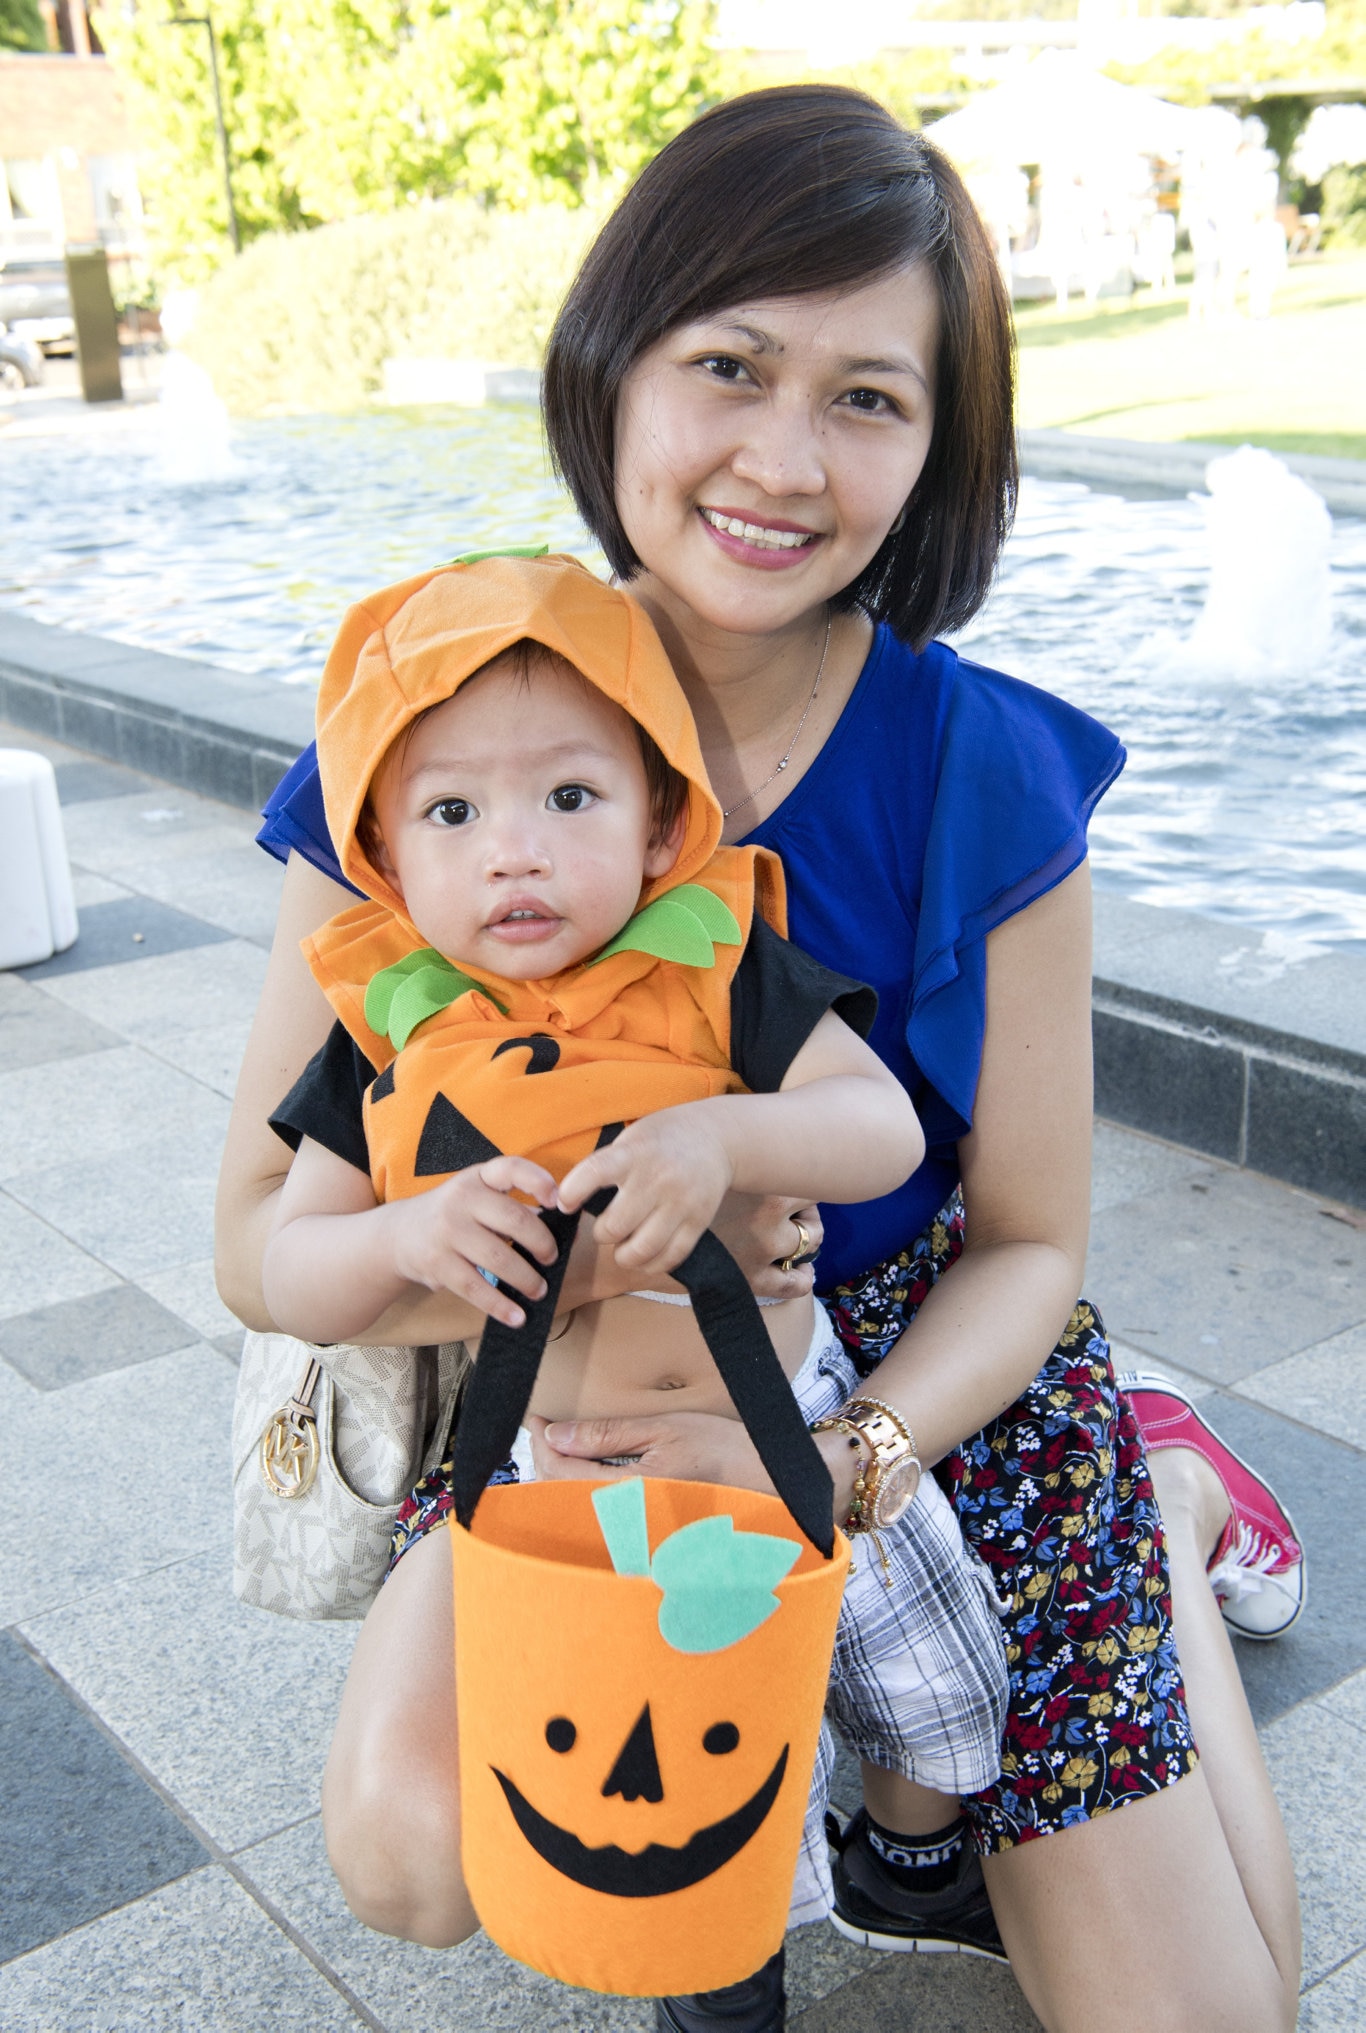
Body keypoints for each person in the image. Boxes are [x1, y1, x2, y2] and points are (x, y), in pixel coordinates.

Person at [216, 85, 1305, 2033]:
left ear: (936, 443)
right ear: (614, 370)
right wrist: (440, 1241)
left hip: (920, 1379)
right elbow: (254, 1233)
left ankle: (1153, 1510)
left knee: (1206, 2019)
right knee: (411, 1846)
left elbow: (1030, 1241)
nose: (780, 460)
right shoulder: (431, 753)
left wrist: (841, 1464)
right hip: (570, 1380)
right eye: (728, 364)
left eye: (867, 397)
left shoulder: (985, 780)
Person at [260, 551, 1010, 1938]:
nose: (515, 848)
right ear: (382, 849)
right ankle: (711, 1957)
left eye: (568, 795)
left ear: (662, 823)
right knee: (663, 1722)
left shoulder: (715, 969)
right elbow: (289, 1273)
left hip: (790, 1420)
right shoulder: (389, 1028)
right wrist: (411, 1231)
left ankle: (907, 1854)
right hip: (566, 1463)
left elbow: (880, 1129)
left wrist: (727, 1138)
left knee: (931, 1682)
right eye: (451, 809)